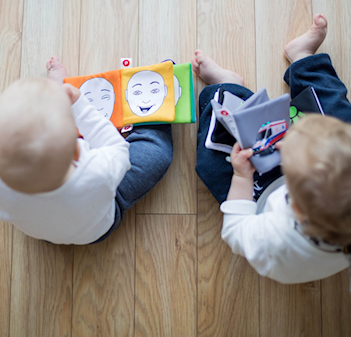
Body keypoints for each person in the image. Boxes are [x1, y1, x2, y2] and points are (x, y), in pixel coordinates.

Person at [192, 14, 351, 284]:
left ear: (295, 207)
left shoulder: (272, 239)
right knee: (337, 113)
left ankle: (225, 87)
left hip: (262, 194)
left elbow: (236, 230)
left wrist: (242, 177)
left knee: (211, 161)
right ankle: (303, 60)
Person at [0, 58, 173, 245]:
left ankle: (56, 98)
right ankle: (152, 120)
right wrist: (79, 105)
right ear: (77, 150)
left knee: (48, 133)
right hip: (96, 226)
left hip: (47, 232)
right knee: (156, 152)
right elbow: (115, 146)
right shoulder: (96, 172)